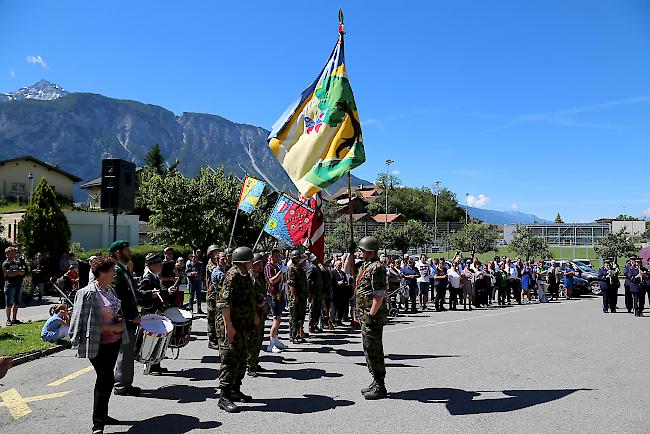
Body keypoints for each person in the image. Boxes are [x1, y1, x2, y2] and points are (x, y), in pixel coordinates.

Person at [69, 256, 127, 434]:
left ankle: (103, 415)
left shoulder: (111, 290)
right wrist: (111, 326)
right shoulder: (86, 293)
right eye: (111, 271)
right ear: (101, 273)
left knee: (107, 379)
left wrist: (120, 320)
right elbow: (79, 320)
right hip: (98, 344)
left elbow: (117, 310)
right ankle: (98, 424)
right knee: (105, 379)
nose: (114, 274)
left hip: (114, 342)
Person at [216, 246, 259, 413]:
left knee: (241, 359)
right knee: (229, 360)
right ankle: (224, 396)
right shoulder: (232, 275)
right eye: (250, 260)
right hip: (232, 325)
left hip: (243, 325)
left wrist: (254, 314)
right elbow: (224, 303)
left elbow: (250, 297)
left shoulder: (245, 275)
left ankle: (235, 389)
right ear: (244, 261)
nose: (252, 263)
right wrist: (228, 326)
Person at [345, 236, 388, 400]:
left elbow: (379, 294)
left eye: (362, 250)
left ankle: (380, 385)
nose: (360, 252)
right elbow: (347, 270)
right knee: (368, 348)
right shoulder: (365, 265)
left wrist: (371, 314)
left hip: (372, 317)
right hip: (365, 315)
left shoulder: (377, 268)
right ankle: (375, 380)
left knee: (374, 348)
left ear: (370, 251)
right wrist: (350, 253)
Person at [110, 240, 142, 397]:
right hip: (124, 320)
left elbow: (132, 294)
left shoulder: (124, 270)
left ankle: (127, 384)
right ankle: (121, 386)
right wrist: (130, 318)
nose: (129, 252)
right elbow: (116, 300)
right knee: (125, 352)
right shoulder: (116, 272)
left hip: (131, 318)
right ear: (118, 252)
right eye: (126, 250)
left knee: (129, 353)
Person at [138, 253, 169, 374]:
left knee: (157, 339)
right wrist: (151, 295)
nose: (161, 265)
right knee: (151, 340)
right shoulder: (147, 278)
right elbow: (140, 294)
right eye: (159, 263)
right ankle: (150, 365)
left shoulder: (154, 276)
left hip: (156, 312)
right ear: (152, 265)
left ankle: (155, 364)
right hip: (150, 312)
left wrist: (168, 292)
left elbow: (161, 291)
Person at [247, 253, 270, 377]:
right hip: (253, 314)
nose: (260, 267)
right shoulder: (251, 278)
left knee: (259, 339)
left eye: (262, 264)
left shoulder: (260, 277)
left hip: (261, 313)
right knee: (252, 340)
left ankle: (255, 362)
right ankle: (250, 366)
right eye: (258, 264)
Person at [265, 249, 287, 353]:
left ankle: (276, 340)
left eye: (279, 256)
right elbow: (271, 281)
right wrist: (280, 272)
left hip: (280, 295)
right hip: (273, 296)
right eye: (276, 256)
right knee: (276, 319)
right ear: (272, 256)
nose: (278, 258)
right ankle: (271, 343)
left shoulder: (278, 265)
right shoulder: (269, 267)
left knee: (279, 319)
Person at [286, 249, 308, 344]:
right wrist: (294, 296)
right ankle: (293, 335)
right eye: (298, 258)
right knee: (294, 316)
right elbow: (291, 284)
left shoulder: (301, 269)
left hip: (302, 296)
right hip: (296, 297)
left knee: (301, 316)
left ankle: (299, 333)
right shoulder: (291, 269)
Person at [3, 247, 25, 326]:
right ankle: (8, 320)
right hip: (10, 286)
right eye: (11, 253)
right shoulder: (6, 264)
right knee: (9, 304)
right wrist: (17, 272)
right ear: (7, 254)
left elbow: (23, 272)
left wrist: (16, 272)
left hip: (18, 285)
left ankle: (14, 319)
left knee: (17, 303)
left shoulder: (18, 263)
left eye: (14, 253)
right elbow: (9, 274)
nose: (13, 254)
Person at [205, 245, 221, 350]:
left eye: (217, 252)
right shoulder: (210, 265)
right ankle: (211, 339)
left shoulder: (218, 263)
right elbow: (217, 272)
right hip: (212, 295)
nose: (217, 254)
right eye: (215, 252)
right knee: (211, 317)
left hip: (218, 294)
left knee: (218, 316)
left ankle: (218, 337)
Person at [307, 253, 323, 334]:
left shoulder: (317, 267)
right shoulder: (312, 268)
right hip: (313, 293)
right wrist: (311, 292)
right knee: (312, 309)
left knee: (317, 309)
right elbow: (308, 281)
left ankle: (315, 324)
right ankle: (311, 325)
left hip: (318, 292)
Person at [331, 259, 351, 324]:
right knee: (334, 307)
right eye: (339, 265)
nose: (340, 266)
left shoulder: (343, 273)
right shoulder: (332, 272)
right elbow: (331, 282)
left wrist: (345, 283)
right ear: (335, 265)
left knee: (341, 307)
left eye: (341, 265)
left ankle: (339, 320)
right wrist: (337, 283)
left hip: (342, 292)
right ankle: (333, 320)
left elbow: (345, 280)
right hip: (335, 292)